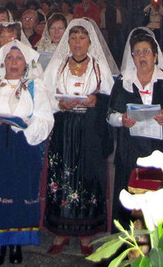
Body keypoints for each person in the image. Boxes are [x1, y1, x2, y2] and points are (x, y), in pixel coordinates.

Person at [0, 39, 54, 265]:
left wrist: (26, 124)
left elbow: (46, 117)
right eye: (10, 58)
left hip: (22, 147)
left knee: (20, 192)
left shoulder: (34, 86)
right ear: (3, 61)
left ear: (26, 63)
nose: (14, 62)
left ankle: (17, 243)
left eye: (19, 58)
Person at [43, 18, 114, 256]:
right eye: (73, 37)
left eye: (82, 37)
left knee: (87, 177)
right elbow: (46, 95)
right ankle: (61, 231)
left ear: (90, 41)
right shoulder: (58, 65)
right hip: (65, 126)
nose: (77, 42)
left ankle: (86, 234)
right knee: (62, 177)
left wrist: (96, 101)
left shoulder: (98, 66)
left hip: (89, 129)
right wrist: (60, 104)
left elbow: (111, 97)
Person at [108, 28, 163, 229]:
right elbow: (110, 115)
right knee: (129, 202)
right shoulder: (124, 82)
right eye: (137, 52)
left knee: (155, 201)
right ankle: (129, 249)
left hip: (157, 151)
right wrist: (121, 119)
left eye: (146, 51)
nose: (141, 56)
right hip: (129, 151)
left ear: (155, 56)